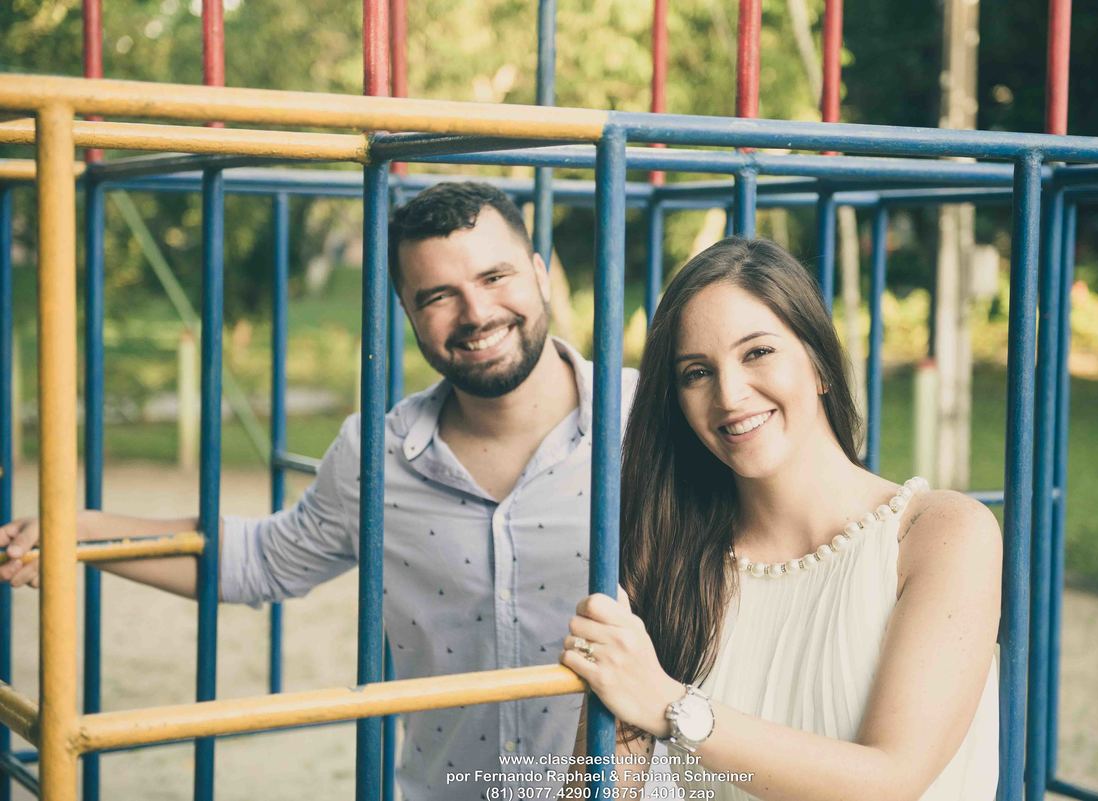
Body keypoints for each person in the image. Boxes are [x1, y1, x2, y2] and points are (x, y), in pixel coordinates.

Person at [0, 181, 638, 801]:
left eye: (495, 278)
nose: (476, 313)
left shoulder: (649, 422)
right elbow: (261, 560)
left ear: (538, 272)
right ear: (408, 311)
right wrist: (79, 531)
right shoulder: (378, 457)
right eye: (438, 295)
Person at [559, 237, 1000, 800]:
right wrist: (613, 693)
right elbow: (602, 791)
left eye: (757, 352)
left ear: (819, 364)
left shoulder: (941, 533)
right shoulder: (667, 556)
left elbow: (891, 780)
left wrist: (670, 704)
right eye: (697, 372)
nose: (730, 394)